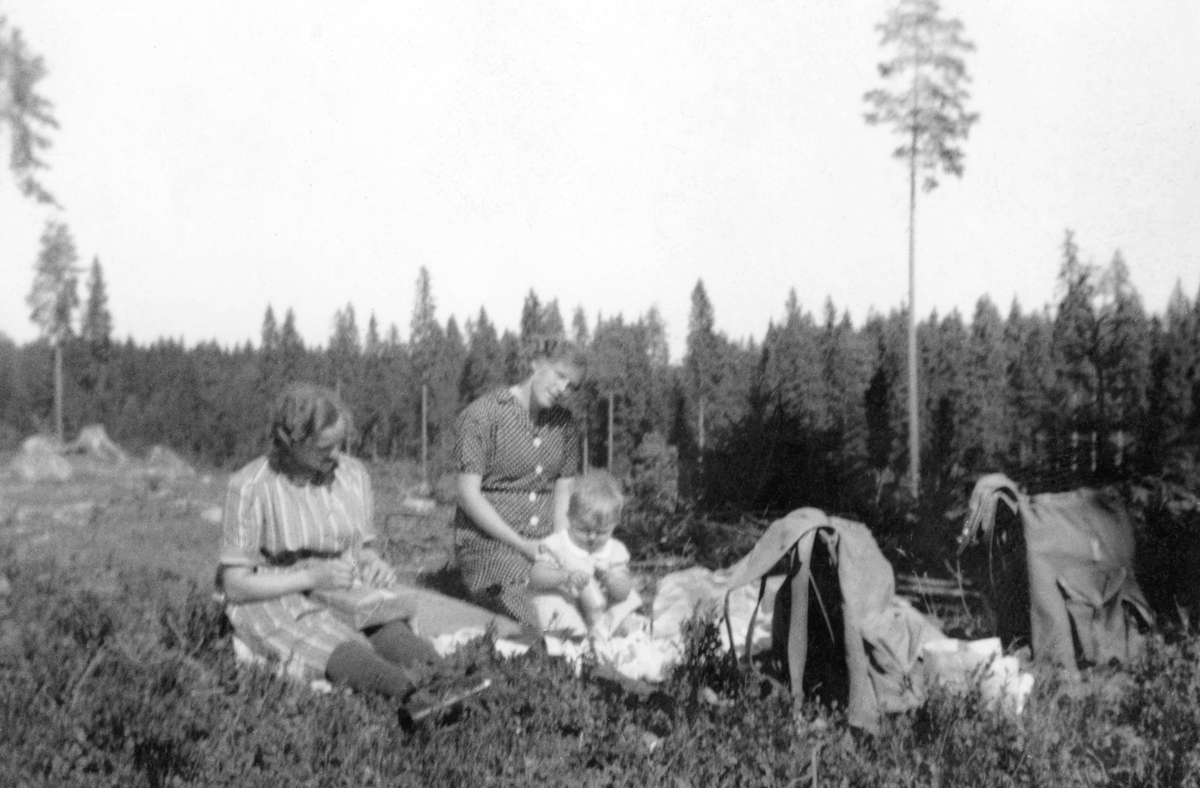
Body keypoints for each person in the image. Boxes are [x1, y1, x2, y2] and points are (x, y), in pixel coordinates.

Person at [217, 383, 486, 720]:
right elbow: (235, 585)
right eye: (323, 447)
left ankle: (454, 681)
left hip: (342, 585)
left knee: (387, 629)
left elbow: (363, 549)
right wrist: (309, 577)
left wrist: (373, 564)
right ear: (291, 442)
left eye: (340, 444)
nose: (335, 455)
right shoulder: (251, 485)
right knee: (328, 641)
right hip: (275, 593)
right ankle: (412, 698)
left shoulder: (352, 474)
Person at [453, 337, 585, 627]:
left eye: (571, 385)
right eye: (560, 376)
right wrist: (523, 544)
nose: (563, 390)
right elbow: (467, 495)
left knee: (588, 592)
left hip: (544, 546)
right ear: (536, 363)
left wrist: (562, 548)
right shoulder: (484, 415)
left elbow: (563, 491)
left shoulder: (564, 425)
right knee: (533, 618)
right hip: (491, 546)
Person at [529, 469, 636, 638]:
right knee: (553, 607)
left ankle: (612, 639)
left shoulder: (614, 550)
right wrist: (564, 576)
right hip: (568, 605)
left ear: (614, 525)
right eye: (583, 529)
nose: (592, 537)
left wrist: (610, 579)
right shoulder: (557, 544)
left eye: (601, 532)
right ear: (569, 517)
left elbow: (624, 590)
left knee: (626, 609)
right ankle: (572, 641)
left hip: (601, 610)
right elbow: (536, 576)